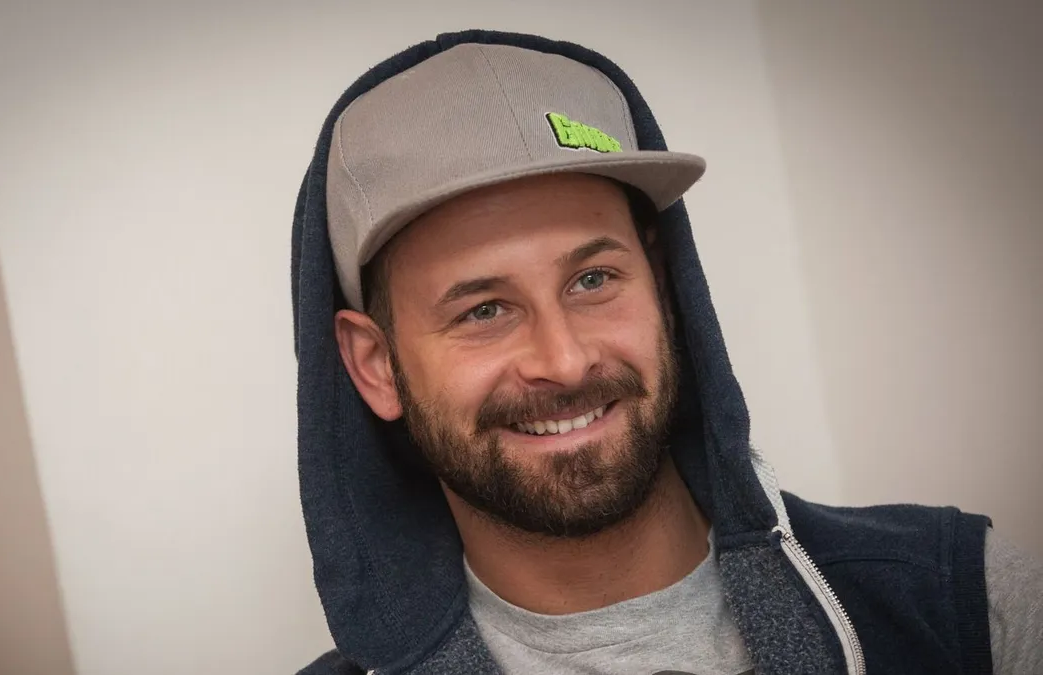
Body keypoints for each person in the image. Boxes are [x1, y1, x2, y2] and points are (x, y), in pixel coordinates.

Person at [289, 30, 1043, 675]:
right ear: (376, 366)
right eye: (484, 309)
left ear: (663, 284)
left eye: (593, 279)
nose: (566, 360)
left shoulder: (965, 604)